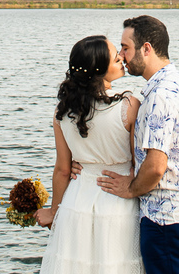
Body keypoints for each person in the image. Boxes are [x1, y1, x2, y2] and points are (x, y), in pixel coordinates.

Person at [96, 16, 179, 274]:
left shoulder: (160, 95)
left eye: (126, 47)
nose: (122, 55)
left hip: (166, 217)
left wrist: (131, 189)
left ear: (146, 49)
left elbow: (156, 166)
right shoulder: (175, 80)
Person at [35, 35, 143, 274]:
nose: (122, 59)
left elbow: (63, 170)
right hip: (118, 200)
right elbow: (139, 164)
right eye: (116, 58)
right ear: (100, 71)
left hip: (77, 202)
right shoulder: (129, 105)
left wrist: (55, 212)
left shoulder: (63, 111)